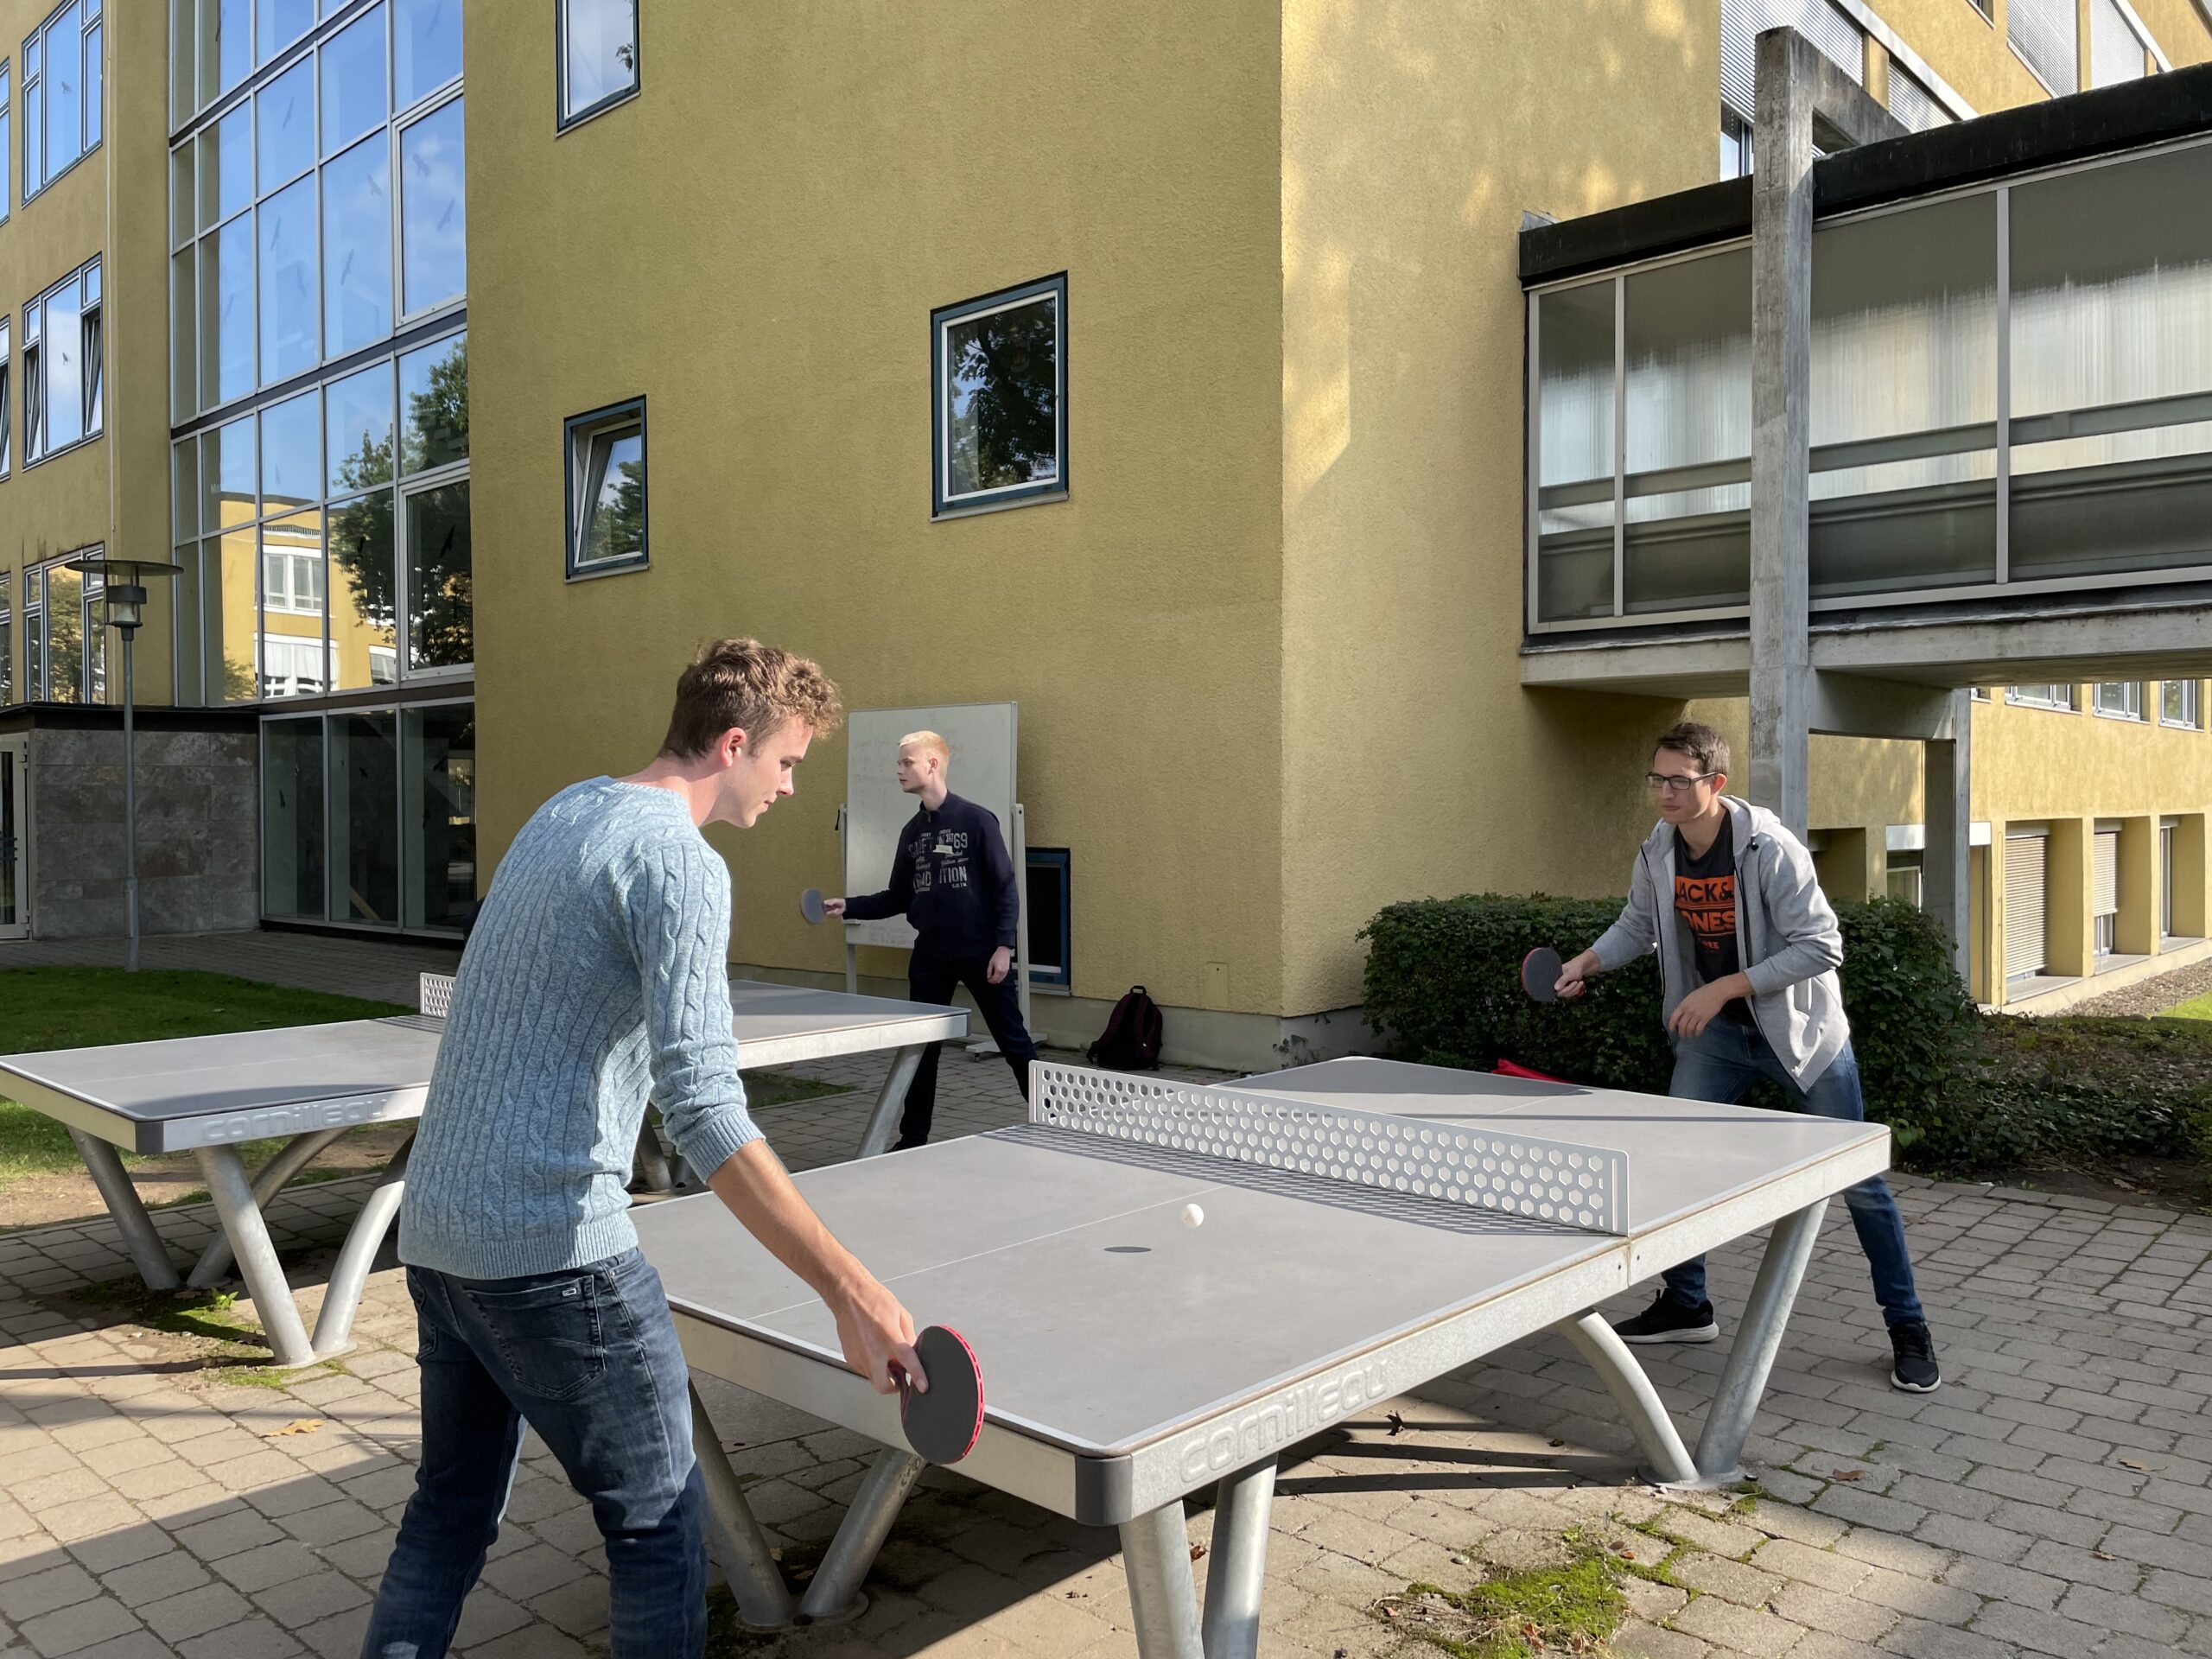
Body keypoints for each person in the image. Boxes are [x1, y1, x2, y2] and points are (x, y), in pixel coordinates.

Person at [364, 640, 925, 1659]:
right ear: (734, 743)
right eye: (789, 763)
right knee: (658, 1530)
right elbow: (704, 1109)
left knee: (446, 1516)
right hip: (553, 1253)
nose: (792, 787)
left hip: (438, 1235)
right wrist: (850, 1290)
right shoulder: (681, 860)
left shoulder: (567, 807)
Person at [1554, 721, 1941, 1395]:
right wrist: (1584, 962)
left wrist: (1725, 986)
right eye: (1657, 779)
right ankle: (1687, 1303)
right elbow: (1638, 928)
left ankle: (1908, 1327)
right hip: (1717, 1040)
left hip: (1800, 1036)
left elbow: (1823, 946)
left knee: (1861, 1185)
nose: (1665, 793)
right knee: (1675, 1165)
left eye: (1680, 780)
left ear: (1716, 783)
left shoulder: (1771, 848)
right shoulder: (1658, 850)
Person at [825, 731, 1038, 1147]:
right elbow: (897, 897)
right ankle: (913, 1138)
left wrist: (1003, 946)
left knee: (1013, 1041)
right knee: (922, 1049)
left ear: (932, 765)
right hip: (930, 956)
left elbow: (1005, 888)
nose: (899, 770)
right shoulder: (912, 832)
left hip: (980, 952)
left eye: (907, 762)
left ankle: (1055, 1120)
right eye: (899, 763)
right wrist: (848, 906)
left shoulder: (977, 821)